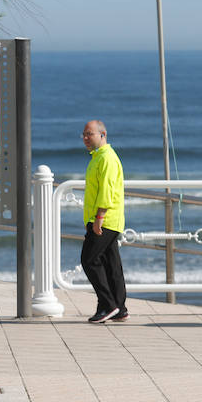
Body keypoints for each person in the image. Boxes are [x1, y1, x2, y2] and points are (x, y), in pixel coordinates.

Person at [80, 120, 128, 324]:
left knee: (89, 259)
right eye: (83, 134)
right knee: (111, 263)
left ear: (103, 134)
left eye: (89, 134)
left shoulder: (106, 158)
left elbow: (107, 192)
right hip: (104, 219)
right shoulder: (97, 157)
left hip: (105, 219)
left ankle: (108, 305)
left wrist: (99, 218)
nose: (85, 138)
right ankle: (119, 308)